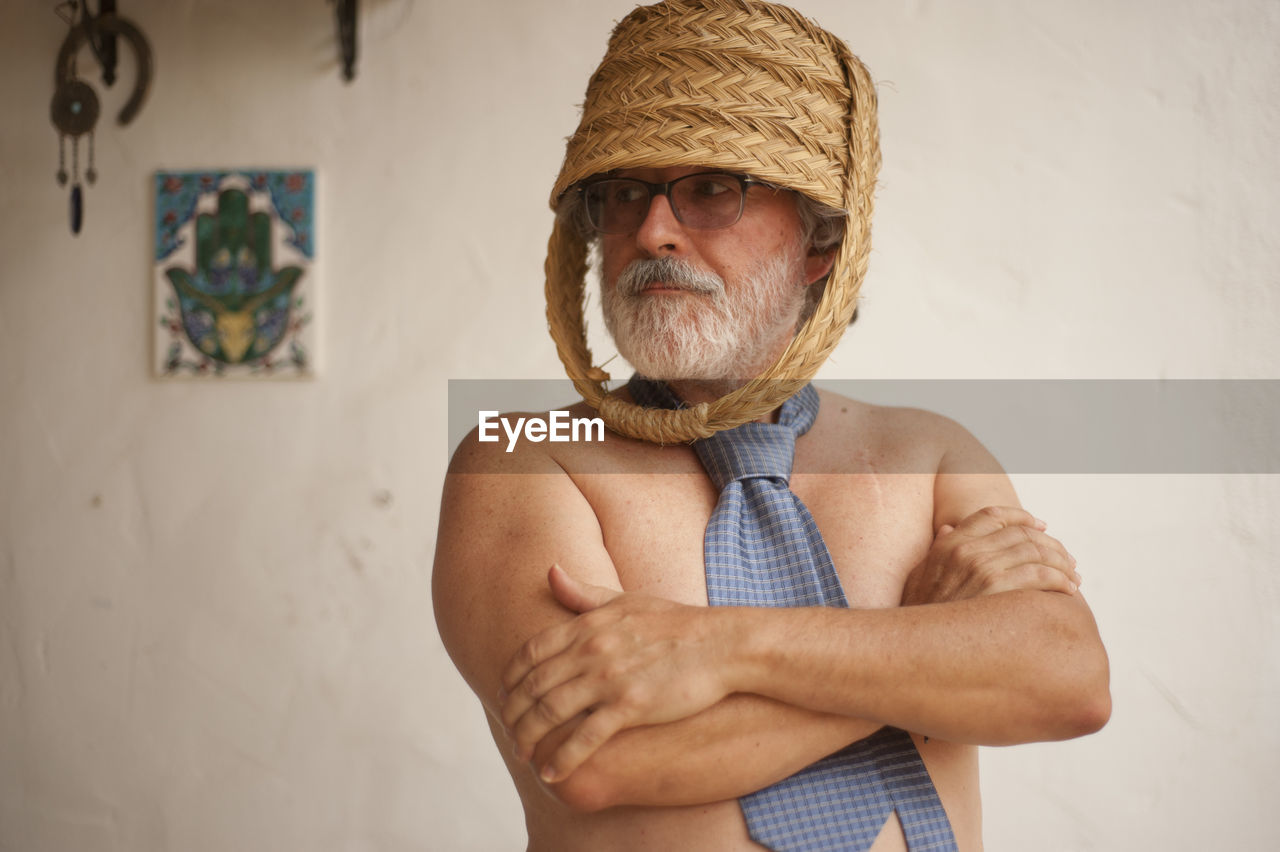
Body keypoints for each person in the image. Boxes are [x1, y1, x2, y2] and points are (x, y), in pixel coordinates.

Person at [432, 1, 1110, 849]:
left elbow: (1068, 679)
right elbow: (598, 757)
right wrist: (922, 655)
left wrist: (721, 649)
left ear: (819, 243)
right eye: (625, 193)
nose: (652, 231)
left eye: (712, 190)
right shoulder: (515, 457)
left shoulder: (929, 450)